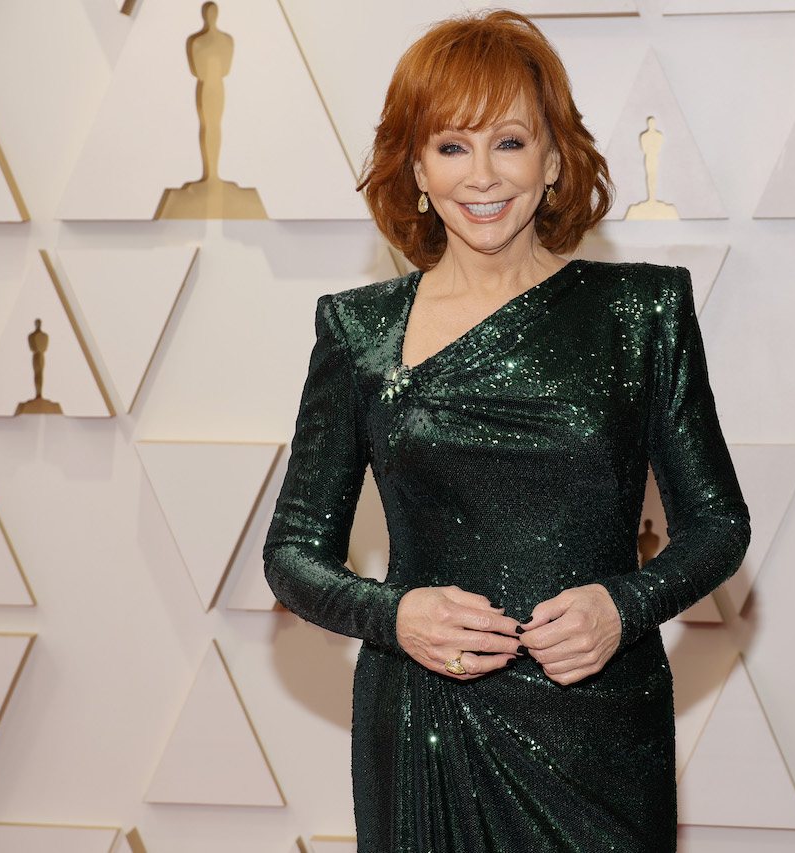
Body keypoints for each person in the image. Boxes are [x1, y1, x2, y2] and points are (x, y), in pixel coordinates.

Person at [264, 11, 749, 852]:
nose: (481, 175)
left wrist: (623, 604)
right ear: (415, 165)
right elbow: (293, 551)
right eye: (451, 146)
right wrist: (394, 615)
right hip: (425, 719)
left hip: (595, 722)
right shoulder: (358, 331)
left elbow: (718, 525)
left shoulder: (641, 311)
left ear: (555, 159)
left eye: (510, 142)